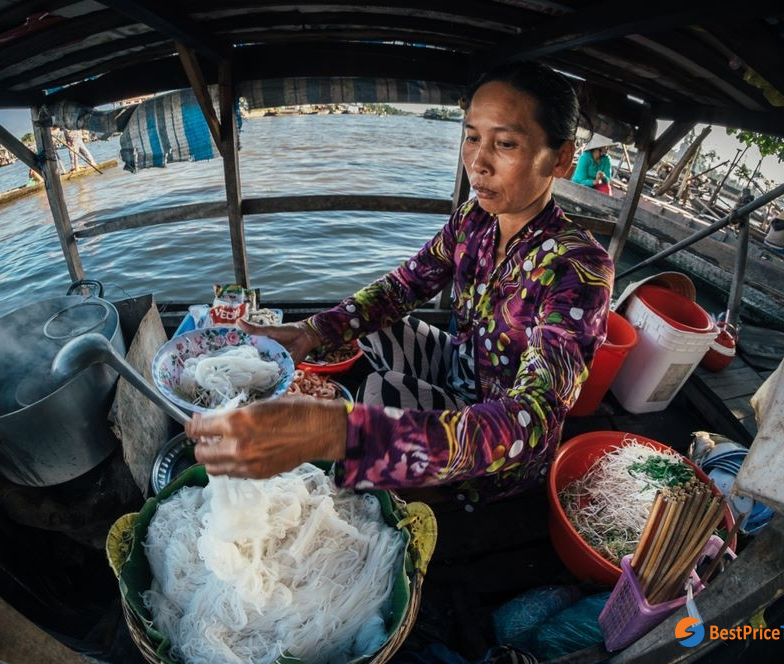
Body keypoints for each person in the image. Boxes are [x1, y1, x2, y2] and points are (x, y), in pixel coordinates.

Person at [186, 62, 614, 502]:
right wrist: (311, 331)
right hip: (460, 365)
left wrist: (339, 432)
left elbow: (534, 418)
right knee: (375, 324)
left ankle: (445, 492)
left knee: (373, 394)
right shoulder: (475, 220)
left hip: (496, 448)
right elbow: (403, 288)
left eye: (505, 143)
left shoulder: (580, 269)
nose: (479, 162)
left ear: (560, 159)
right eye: (471, 138)